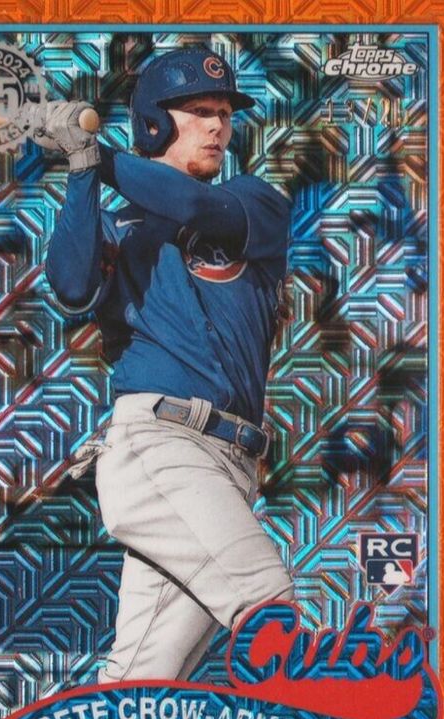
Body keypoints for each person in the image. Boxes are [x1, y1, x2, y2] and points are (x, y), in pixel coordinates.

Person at [42, 46, 294, 685]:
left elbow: (195, 209)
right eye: (198, 111)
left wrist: (98, 157)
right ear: (154, 122)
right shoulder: (118, 221)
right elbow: (71, 286)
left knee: (144, 679)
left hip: (232, 463)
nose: (217, 126)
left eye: (224, 114)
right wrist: (82, 170)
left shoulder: (252, 200)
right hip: (161, 445)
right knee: (268, 604)